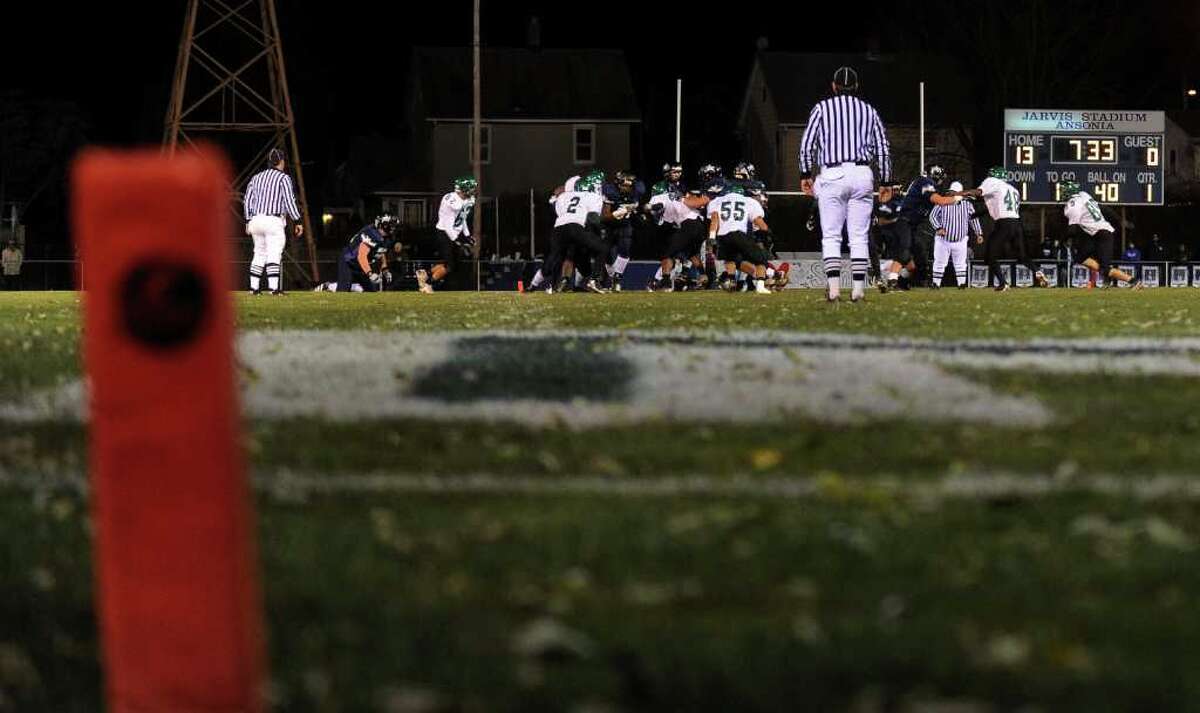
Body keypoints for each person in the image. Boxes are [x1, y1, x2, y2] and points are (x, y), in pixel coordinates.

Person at [798, 66, 892, 302]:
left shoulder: (822, 108)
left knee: (831, 236)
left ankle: (834, 291)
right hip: (861, 173)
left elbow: (807, 144)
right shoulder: (869, 111)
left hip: (833, 173)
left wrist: (805, 174)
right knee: (858, 236)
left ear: (834, 86)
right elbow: (883, 148)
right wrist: (886, 180)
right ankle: (858, 291)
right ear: (856, 86)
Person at [961, 166, 1048, 291]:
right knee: (1022, 256)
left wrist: (959, 194)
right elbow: (994, 207)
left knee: (990, 256)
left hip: (1004, 224)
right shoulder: (1013, 189)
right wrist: (974, 215)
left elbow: (978, 192)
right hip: (1017, 223)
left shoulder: (993, 182)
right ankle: (1037, 271)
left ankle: (1003, 283)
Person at [1059, 180, 1142, 289]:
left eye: (1063, 190)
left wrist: (1062, 241)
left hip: (1103, 234)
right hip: (1095, 234)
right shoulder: (1084, 195)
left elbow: (1072, 230)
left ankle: (1133, 281)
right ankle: (1106, 275)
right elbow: (1102, 208)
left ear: (1068, 191)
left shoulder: (1072, 205)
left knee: (1105, 268)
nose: (1061, 192)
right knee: (1080, 257)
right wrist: (1119, 219)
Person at [243, 147, 304, 295]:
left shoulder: (256, 178)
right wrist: (298, 220)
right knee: (274, 253)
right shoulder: (283, 178)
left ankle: (254, 288)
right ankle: (274, 289)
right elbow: (289, 201)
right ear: (281, 161)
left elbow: (247, 200)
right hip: (273, 220)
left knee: (259, 253)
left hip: (256, 220)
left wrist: (248, 220)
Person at [898, 165, 960, 288]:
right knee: (905, 255)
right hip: (904, 223)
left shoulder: (928, 185)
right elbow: (940, 201)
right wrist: (957, 198)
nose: (941, 182)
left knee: (919, 258)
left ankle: (902, 282)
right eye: (941, 178)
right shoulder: (925, 182)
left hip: (912, 226)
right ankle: (889, 278)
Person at [706, 182, 773, 294]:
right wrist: (766, 232)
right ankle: (760, 285)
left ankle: (731, 281)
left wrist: (712, 237)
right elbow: (758, 221)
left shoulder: (717, 201)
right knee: (761, 259)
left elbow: (714, 219)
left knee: (730, 259)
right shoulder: (748, 201)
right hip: (739, 234)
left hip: (722, 236)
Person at [417, 176, 477, 294]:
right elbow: (448, 225)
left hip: (454, 232)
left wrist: (467, 235)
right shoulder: (452, 202)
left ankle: (424, 274)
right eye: (471, 188)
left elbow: (462, 218)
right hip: (444, 232)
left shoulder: (468, 200)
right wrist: (457, 240)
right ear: (463, 189)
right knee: (450, 266)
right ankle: (428, 284)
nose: (473, 191)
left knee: (451, 263)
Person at [315, 214, 399, 293]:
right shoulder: (371, 233)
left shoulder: (386, 237)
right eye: (390, 226)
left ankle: (336, 286)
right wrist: (370, 274)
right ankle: (329, 286)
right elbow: (361, 256)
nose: (392, 229)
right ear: (382, 225)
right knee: (343, 290)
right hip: (349, 261)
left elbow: (381, 251)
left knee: (371, 291)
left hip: (359, 265)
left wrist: (385, 268)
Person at [929, 182, 982, 289]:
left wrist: (979, 233)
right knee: (939, 262)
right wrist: (938, 228)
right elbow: (932, 216)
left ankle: (961, 284)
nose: (952, 194)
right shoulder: (942, 203)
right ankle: (936, 283)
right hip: (943, 240)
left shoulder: (967, 205)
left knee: (960, 263)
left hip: (960, 240)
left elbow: (973, 219)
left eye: (954, 192)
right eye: (952, 192)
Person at [601, 170, 646, 291]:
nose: (626, 188)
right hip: (610, 224)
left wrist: (639, 213)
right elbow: (605, 216)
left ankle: (617, 277)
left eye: (628, 186)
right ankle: (610, 277)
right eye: (623, 185)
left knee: (625, 249)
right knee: (606, 253)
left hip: (626, 223)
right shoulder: (610, 192)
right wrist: (616, 213)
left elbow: (638, 206)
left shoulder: (637, 191)